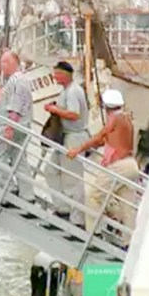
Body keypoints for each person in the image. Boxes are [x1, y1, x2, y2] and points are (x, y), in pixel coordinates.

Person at [70, 88, 140, 239]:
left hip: (119, 165)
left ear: (107, 107)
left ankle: (96, 233)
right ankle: (129, 242)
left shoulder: (115, 118)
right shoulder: (127, 120)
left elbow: (99, 137)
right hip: (131, 164)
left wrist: (78, 149)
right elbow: (107, 140)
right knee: (127, 205)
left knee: (94, 196)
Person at [43, 60, 90, 225]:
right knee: (50, 170)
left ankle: (77, 218)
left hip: (75, 136)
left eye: (56, 74)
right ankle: (62, 207)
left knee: (72, 179)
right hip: (64, 137)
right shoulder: (65, 91)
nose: (54, 77)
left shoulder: (72, 91)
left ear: (64, 75)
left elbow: (74, 114)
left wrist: (55, 110)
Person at [0, 51, 34, 202]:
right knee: (20, 160)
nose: (1, 66)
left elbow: (16, 106)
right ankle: (27, 194)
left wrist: (9, 127)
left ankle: (9, 189)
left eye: (4, 62)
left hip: (14, 125)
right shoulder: (20, 80)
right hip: (23, 126)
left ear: (13, 63)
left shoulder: (16, 80)